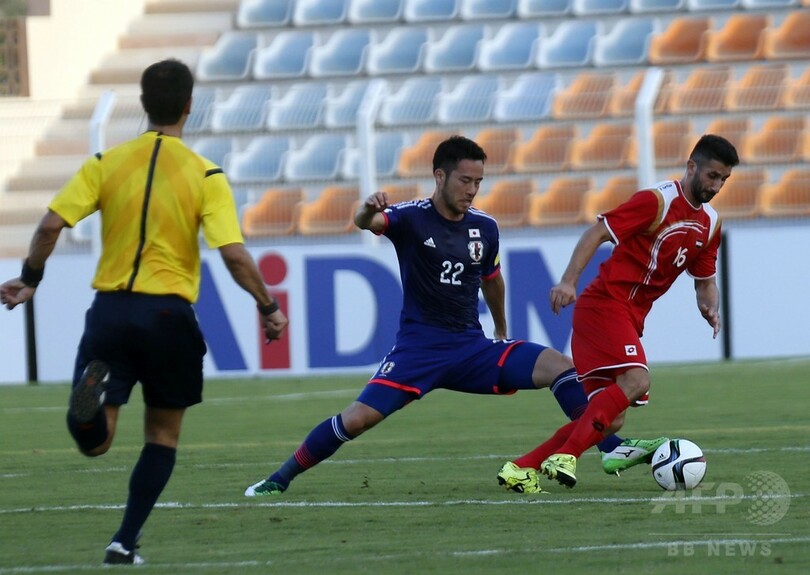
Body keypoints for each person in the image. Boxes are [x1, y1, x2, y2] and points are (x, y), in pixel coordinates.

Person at [244, 135, 661, 498]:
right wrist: (365, 208)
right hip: (419, 351)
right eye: (465, 180)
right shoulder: (410, 217)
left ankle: (610, 448)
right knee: (357, 419)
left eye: (478, 182)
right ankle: (278, 480)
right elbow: (367, 221)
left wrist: (500, 327)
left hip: (471, 348)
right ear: (440, 176)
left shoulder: (485, 228)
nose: (472, 190)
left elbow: (492, 280)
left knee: (561, 368)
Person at [0, 59, 288, 565]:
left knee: (96, 443)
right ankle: (123, 542)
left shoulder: (105, 163)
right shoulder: (205, 174)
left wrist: (31, 279)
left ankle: (88, 404)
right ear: (189, 106)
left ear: (142, 104)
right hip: (168, 317)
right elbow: (234, 255)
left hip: (111, 312)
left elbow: (49, 226)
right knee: (162, 436)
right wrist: (267, 306)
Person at [499, 134, 739, 491]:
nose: (716, 186)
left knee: (610, 421)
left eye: (724, 180)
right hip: (605, 306)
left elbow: (705, 280)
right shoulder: (657, 201)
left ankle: (520, 468)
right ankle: (566, 456)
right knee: (637, 380)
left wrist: (710, 306)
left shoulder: (711, 223)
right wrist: (568, 281)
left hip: (626, 316)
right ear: (692, 167)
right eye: (712, 176)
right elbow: (597, 233)